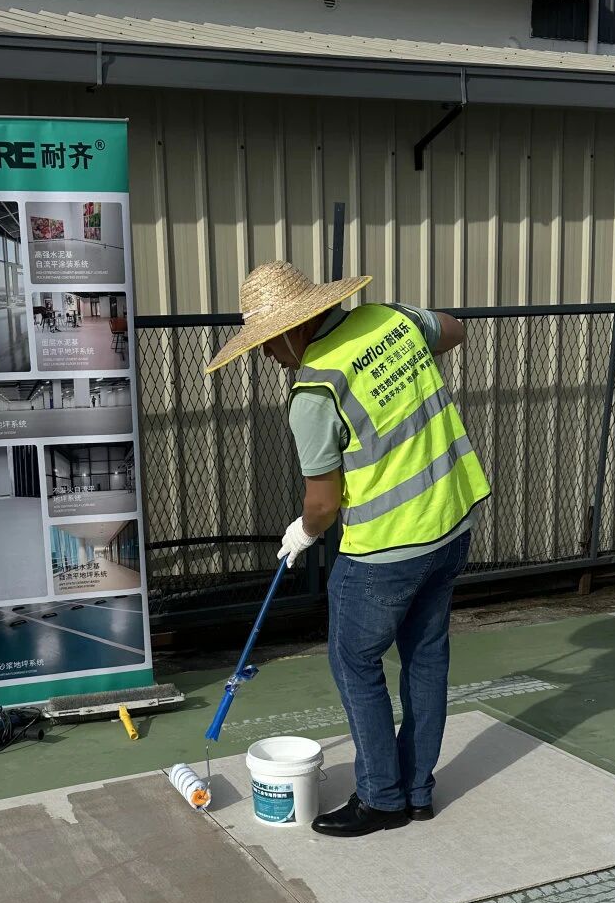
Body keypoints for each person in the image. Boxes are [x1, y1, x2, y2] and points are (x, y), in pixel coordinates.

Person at [204, 260, 490, 838]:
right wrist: (403, 362)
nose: (266, 355)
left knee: (355, 664)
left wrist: (304, 532)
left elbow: (323, 503)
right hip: (452, 522)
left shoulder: (314, 390)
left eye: (266, 342)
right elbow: (454, 329)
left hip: (384, 550)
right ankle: (417, 793)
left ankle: (382, 799)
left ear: (294, 329)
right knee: (426, 658)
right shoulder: (390, 320)